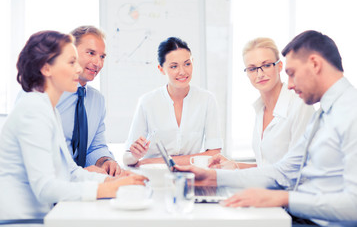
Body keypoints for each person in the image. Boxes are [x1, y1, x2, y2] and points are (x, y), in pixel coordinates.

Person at [176, 30, 357, 226]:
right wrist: (213, 177)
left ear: (315, 64)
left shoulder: (350, 112)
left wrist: (282, 199)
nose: (290, 85)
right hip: (302, 218)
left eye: (292, 73)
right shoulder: (323, 115)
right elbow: (283, 172)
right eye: (252, 68)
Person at [0, 31, 147, 221]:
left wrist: (114, 180)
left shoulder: (49, 109)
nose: (78, 70)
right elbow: (45, 187)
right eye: (71, 62)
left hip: (47, 216)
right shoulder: (32, 109)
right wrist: (105, 188)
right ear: (46, 68)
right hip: (21, 220)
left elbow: (71, 171)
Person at [210, 38, 314, 169]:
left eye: (266, 65)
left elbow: (297, 170)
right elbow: (267, 166)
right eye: (252, 69)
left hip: (291, 189)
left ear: (279, 66)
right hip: (269, 186)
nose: (260, 74)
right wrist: (235, 165)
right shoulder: (261, 109)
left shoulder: (300, 106)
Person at [123, 37, 223, 166]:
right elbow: (127, 158)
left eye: (187, 64)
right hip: (153, 175)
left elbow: (214, 154)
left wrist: (154, 161)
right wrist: (135, 155)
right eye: (174, 66)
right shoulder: (147, 102)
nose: (182, 72)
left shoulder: (207, 100)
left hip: (191, 175)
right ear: (161, 69)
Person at [57, 26, 120, 176]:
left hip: (76, 187)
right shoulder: (49, 94)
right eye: (91, 53)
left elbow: (95, 147)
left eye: (102, 57)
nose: (98, 63)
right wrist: (80, 175)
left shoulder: (97, 100)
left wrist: (105, 161)